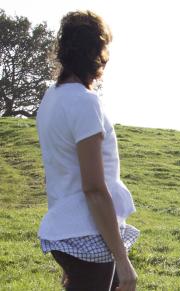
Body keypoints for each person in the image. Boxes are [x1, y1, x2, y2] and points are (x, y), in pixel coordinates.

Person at [36, 10, 138, 291]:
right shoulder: (84, 102)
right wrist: (123, 260)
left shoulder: (51, 98)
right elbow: (93, 187)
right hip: (89, 234)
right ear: (97, 52)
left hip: (68, 234)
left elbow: (57, 174)